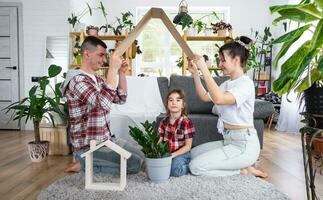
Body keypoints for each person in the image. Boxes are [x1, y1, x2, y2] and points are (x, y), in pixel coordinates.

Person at [187, 36, 268, 178]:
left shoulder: (245, 84)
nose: (220, 63)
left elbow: (219, 99)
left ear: (236, 60)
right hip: (229, 140)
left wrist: (205, 69)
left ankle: (243, 170)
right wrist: (195, 74)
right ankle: (241, 166)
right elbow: (205, 96)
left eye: (223, 60)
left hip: (244, 144)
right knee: (192, 155)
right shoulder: (227, 83)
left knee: (196, 167)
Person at [61, 36, 143, 174]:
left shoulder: (97, 79)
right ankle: (83, 163)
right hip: (89, 147)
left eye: (105, 56)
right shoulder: (77, 81)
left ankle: (90, 163)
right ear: (87, 54)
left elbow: (120, 99)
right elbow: (103, 103)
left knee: (142, 157)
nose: (104, 60)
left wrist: (121, 73)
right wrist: (112, 69)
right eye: (101, 55)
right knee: (134, 165)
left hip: (106, 140)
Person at [158, 89, 195, 177]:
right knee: (156, 167)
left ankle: (189, 166)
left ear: (183, 105)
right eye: (171, 100)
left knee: (174, 171)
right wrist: (156, 153)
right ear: (167, 104)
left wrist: (173, 155)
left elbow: (188, 146)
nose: (174, 103)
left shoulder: (186, 122)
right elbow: (159, 140)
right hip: (167, 152)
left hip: (182, 153)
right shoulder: (163, 122)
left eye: (178, 100)